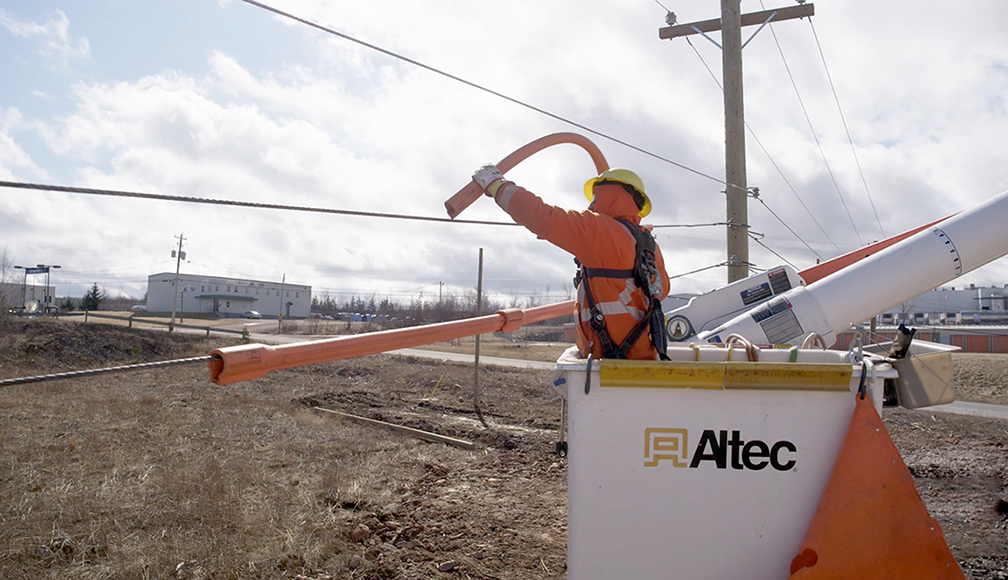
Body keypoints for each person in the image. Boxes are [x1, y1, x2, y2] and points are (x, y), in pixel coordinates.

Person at [472, 164, 670, 361]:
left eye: (596, 197)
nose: (590, 205)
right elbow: (663, 290)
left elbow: (544, 217)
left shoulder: (600, 231)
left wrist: (496, 185)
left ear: (612, 195)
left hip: (612, 365)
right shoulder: (648, 244)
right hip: (641, 359)